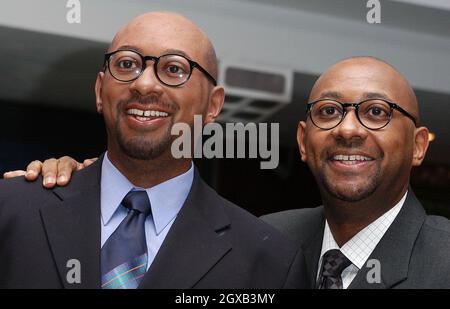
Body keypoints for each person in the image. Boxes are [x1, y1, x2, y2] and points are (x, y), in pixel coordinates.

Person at [0, 12, 306, 289]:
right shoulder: (12, 208)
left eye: (174, 69)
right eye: (127, 64)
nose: (145, 84)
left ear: (213, 105)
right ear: (99, 91)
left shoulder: (267, 260)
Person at [263, 57, 450, 289]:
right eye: (329, 110)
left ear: (418, 145)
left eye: (376, 111)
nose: (347, 129)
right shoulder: (265, 239)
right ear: (302, 141)